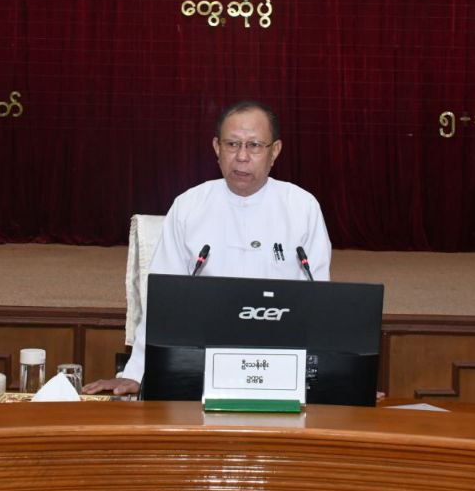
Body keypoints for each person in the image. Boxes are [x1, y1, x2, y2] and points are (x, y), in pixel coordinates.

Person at [83, 100, 331, 396]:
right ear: (216, 147)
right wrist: (137, 372)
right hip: (201, 367)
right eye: (232, 144)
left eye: (254, 145)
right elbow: (164, 300)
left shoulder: (302, 208)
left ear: (274, 151)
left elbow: (320, 303)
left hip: (280, 366)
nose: (241, 157)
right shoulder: (189, 206)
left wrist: (336, 379)